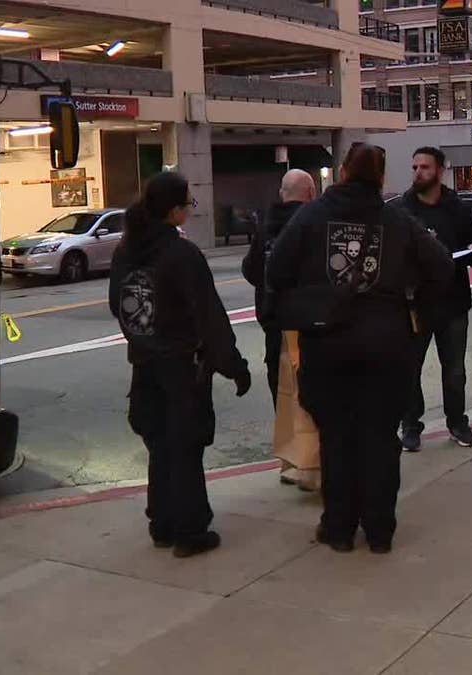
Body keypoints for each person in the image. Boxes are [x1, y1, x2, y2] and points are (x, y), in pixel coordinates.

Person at [267, 143, 453, 554]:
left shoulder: (311, 217)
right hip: (387, 343)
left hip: (328, 342)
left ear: (344, 172)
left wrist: (312, 291)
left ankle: (338, 528)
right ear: (382, 177)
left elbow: (275, 269)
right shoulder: (396, 220)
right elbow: (441, 266)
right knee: (381, 440)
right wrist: (409, 297)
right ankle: (380, 530)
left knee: (336, 439)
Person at [110, 172, 252, 559]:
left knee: (159, 444)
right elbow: (209, 316)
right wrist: (234, 364)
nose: (190, 210)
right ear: (173, 210)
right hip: (182, 366)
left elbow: (119, 307)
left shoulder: (127, 251)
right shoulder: (181, 255)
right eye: (188, 204)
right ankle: (190, 529)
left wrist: (143, 342)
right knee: (186, 447)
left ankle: (162, 522)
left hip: (144, 363)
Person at [397, 146, 472, 452]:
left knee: (454, 370)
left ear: (439, 170)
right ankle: (411, 425)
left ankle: (457, 423)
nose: (418, 172)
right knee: (409, 368)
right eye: (414, 167)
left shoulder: (457, 208)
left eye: (424, 167)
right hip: (414, 304)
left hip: (453, 302)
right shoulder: (402, 209)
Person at [242, 170, 319, 489]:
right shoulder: (313, 222)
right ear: (311, 192)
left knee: (283, 392)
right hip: (306, 322)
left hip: (274, 321)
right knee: (311, 394)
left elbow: (250, 269)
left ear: (282, 192)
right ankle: (310, 465)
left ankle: (288, 462)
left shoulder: (266, 226)